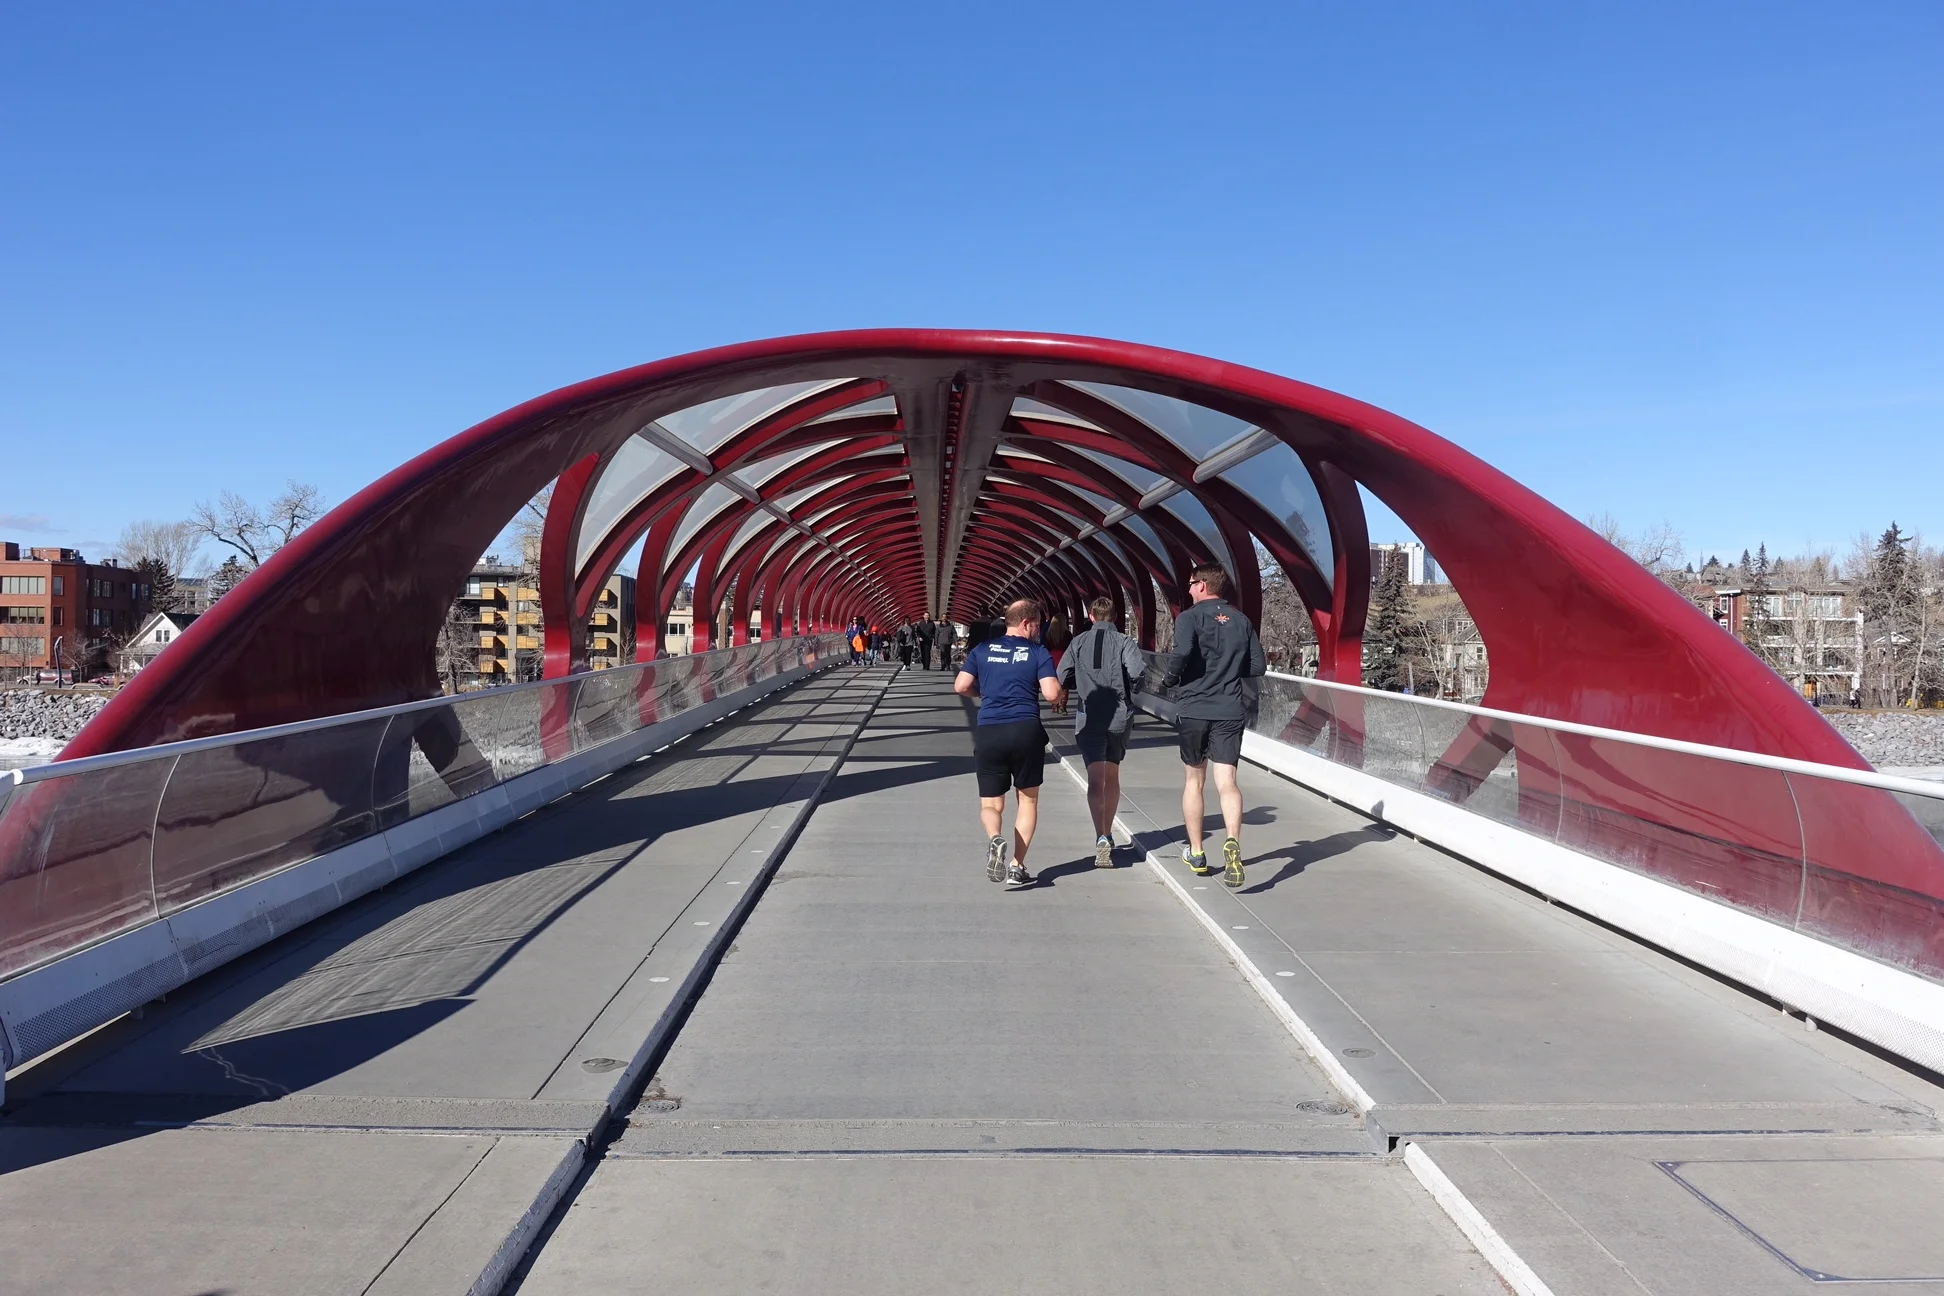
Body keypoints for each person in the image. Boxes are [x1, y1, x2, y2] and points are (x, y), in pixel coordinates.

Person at [1161, 563, 1265, 888]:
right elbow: (1258, 665)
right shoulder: (1241, 620)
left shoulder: (1189, 618)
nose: (1189, 589)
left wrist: (1170, 679)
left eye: (1191, 583)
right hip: (1230, 708)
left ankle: (1196, 852)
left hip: (1194, 707)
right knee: (1227, 782)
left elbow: (1183, 653)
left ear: (1203, 585)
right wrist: (1228, 670)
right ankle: (1232, 841)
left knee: (1194, 781)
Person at [955, 598, 1065, 888]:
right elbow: (1051, 693)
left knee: (991, 803)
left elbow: (961, 685)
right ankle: (1017, 865)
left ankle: (995, 838)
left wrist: (984, 693)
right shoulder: (1037, 652)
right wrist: (1058, 691)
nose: (1039, 631)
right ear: (1026, 623)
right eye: (1037, 625)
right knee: (1027, 800)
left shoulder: (982, 649)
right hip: (1025, 730)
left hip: (990, 731)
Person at [1061, 596, 1146, 868]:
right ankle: (1109, 832)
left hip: (1089, 716)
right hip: (1119, 716)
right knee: (1112, 776)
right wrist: (1131, 690)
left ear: (1091, 616)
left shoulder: (1078, 642)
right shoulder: (1124, 641)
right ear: (1115, 617)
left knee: (1095, 779)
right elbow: (1137, 672)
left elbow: (1063, 675)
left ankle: (1100, 835)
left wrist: (1078, 683)